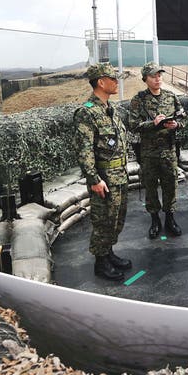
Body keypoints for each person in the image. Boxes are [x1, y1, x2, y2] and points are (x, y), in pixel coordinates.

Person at [73, 62, 131, 281]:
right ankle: (100, 263)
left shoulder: (111, 110)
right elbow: (84, 150)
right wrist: (94, 179)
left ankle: (108, 253)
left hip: (119, 177)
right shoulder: (87, 113)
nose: (116, 82)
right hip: (104, 179)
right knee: (103, 222)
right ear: (101, 82)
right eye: (113, 79)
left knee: (116, 220)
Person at [128, 61, 185, 239]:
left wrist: (177, 125)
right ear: (145, 79)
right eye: (153, 76)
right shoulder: (139, 99)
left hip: (168, 151)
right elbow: (132, 125)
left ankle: (170, 218)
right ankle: (154, 219)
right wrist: (152, 124)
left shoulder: (171, 97)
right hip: (149, 154)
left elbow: (183, 118)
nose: (157, 79)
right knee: (150, 187)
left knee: (171, 186)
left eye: (159, 75)